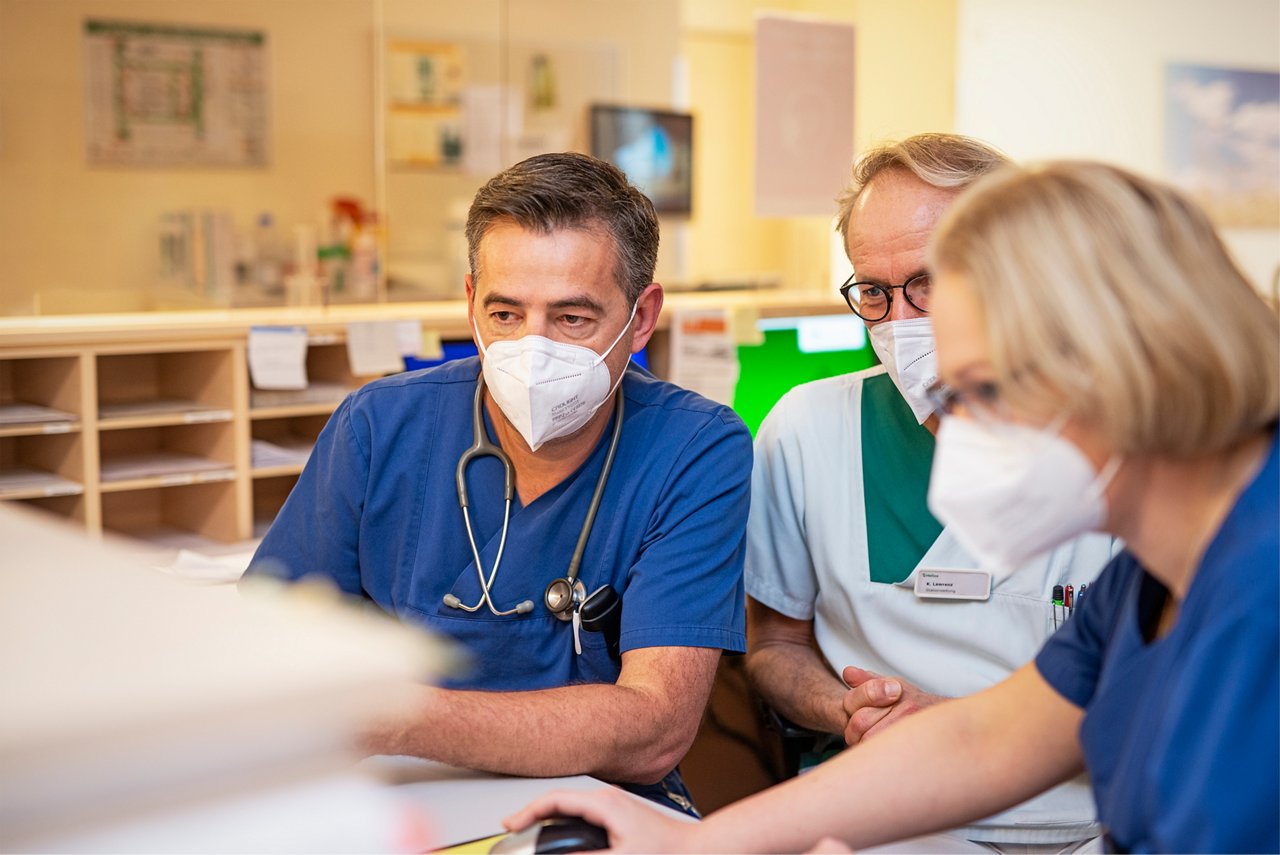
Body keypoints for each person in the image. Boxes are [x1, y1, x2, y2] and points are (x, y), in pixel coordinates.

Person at [506, 161, 1280, 853]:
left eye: (983, 390)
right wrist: (698, 845)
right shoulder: (1152, 580)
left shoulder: (1258, 587)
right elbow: (982, 741)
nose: (956, 433)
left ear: (1126, 355)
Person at [245, 152, 752, 813]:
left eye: (572, 319)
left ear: (641, 318)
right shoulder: (379, 425)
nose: (532, 350)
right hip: (398, 792)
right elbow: (263, 650)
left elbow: (654, 728)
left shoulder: (695, 447)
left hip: (597, 802)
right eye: (506, 315)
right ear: (470, 303)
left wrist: (398, 717)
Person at [745, 133, 1113, 849]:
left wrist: (951, 723)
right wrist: (851, 708)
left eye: (930, 282)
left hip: (1100, 808)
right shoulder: (809, 430)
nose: (902, 324)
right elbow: (774, 641)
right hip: (897, 806)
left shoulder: (1123, 446)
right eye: (873, 293)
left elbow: (1176, 704)